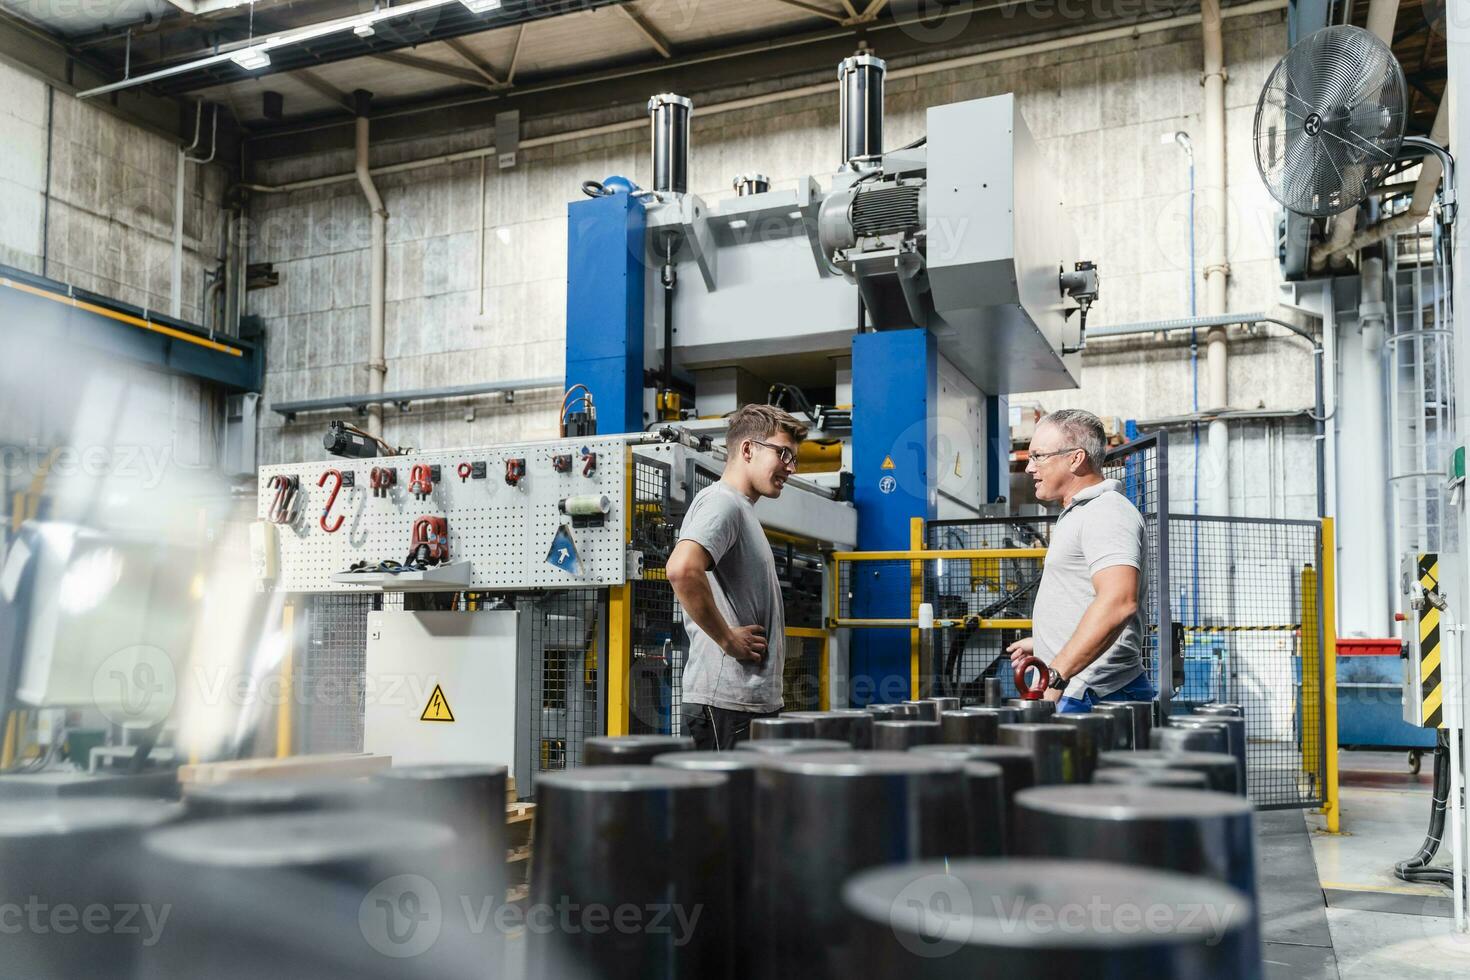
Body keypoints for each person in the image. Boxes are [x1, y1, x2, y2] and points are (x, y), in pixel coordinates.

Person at [666, 404, 807, 749]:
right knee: (727, 804)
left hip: (744, 703)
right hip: (725, 704)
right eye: (783, 454)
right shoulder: (722, 503)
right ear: (748, 449)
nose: (790, 467)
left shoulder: (742, 509)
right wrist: (727, 639)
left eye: (793, 459)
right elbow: (682, 569)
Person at [1006, 409, 1155, 713]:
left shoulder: (1106, 512)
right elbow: (1083, 597)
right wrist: (1045, 642)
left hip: (1093, 693)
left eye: (1038, 456)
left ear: (1075, 458)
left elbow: (1118, 602)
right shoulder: (1081, 513)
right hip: (1078, 687)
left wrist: (1056, 675)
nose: (1029, 468)